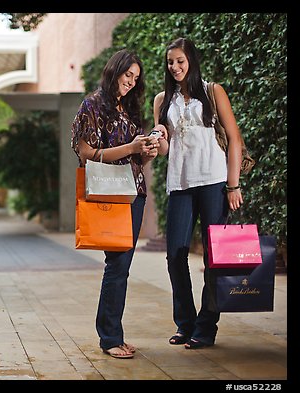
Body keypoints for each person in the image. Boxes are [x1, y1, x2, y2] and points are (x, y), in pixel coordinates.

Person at [71, 49, 168, 359]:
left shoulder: (130, 108)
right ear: (115, 71)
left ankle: (113, 334)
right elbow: (85, 151)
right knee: (117, 266)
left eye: (135, 78)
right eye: (128, 75)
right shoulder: (92, 105)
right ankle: (110, 337)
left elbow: (135, 155)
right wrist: (129, 147)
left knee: (121, 267)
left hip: (134, 193)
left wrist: (146, 150)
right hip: (107, 193)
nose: (130, 82)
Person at [153, 37, 245, 349]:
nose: (174, 67)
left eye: (180, 60)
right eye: (170, 62)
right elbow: (166, 149)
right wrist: (158, 138)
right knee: (175, 254)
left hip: (214, 181)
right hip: (180, 183)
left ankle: (206, 326)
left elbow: (234, 139)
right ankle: (185, 322)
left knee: (214, 256)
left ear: (191, 60)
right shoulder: (162, 100)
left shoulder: (212, 91)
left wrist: (233, 185)